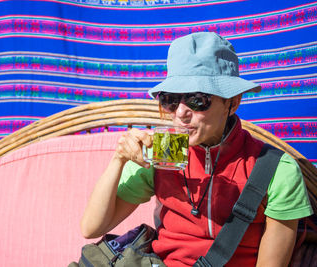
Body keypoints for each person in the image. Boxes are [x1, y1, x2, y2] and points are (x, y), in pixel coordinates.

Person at [80, 32, 313, 267]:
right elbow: (92, 227)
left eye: (197, 99)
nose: (180, 112)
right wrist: (118, 160)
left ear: (232, 102)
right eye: (170, 99)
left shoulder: (274, 169)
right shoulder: (165, 149)